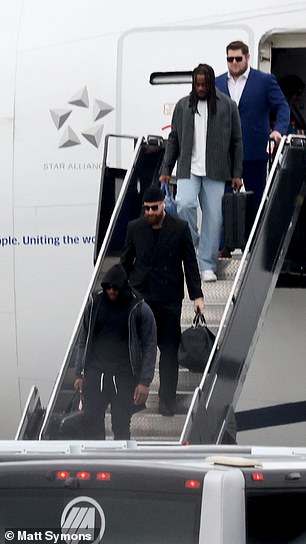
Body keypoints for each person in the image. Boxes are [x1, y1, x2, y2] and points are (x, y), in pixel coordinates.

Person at [120, 184, 204, 416]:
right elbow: (126, 263)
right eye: (146, 209)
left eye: (153, 208)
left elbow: (190, 263)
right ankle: (136, 398)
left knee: (168, 351)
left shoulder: (179, 229)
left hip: (168, 298)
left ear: (164, 205)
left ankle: (167, 399)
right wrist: (121, 291)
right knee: (138, 350)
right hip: (142, 298)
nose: (149, 213)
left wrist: (197, 295)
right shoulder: (135, 228)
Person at [159, 63, 243, 282]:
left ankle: (207, 264)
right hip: (188, 167)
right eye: (197, 84)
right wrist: (166, 169)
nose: (201, 88)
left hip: (216, 170)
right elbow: (174, 138)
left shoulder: (227, 105)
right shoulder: (182, 106)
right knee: (184, 204)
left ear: (212, 83)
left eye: (205, 84)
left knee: (214, 219)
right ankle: (194, 241)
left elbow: (236, 141)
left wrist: (236, 173)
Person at [74, 263, 157, 440]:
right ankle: (96, 463)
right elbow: (84, 339)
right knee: (92, 423)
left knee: (121, 426)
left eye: (115, 288)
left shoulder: (139, 307)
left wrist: (144, 381)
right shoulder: (94, 303)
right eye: (108, 288)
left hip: (124, 376)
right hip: (96, 374)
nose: (111, 291)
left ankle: (121, 465)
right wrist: (79, 373)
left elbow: (150, 345)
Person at [215, 40, 290, 213]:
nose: (234, 63)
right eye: (230, 59)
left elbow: (282, 107)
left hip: (254, 154)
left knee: (256, 206)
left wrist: (278, 131)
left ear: (247, 58)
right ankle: (225, 241)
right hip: (224, 158)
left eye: (238, 58)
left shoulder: (264, 81)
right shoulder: (217, 83)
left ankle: (254, 240)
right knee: (224, 207)